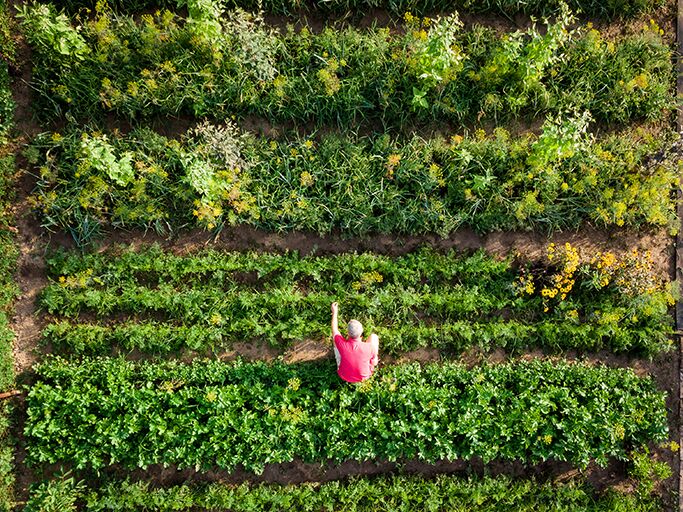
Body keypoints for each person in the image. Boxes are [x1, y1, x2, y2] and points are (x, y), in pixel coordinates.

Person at [330, 301, 379, 383]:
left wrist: (335, 312)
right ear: (361, 332)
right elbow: (374, 363)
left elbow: (334, 329)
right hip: (364, 376)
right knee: (373, 337)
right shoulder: (369, 347)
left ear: (348, 333)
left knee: (335, 338)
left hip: (344, 375)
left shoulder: (342, 344)